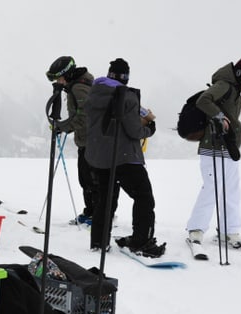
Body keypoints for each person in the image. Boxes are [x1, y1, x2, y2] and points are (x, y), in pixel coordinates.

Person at [85, 58, 164, 257]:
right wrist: (149, 128)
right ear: (126, 77)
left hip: (99, 156)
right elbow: (134, 130)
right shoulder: (126, 97)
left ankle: (98, 241)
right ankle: (141, 241)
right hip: (124, 156)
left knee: (106, 198)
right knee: (144, 197)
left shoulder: (94, 93)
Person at [186, 56, 241, 249]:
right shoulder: (224, 85)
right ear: (240, 74)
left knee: (232, 189)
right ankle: (196, 229)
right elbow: (204, 100)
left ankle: (229, 229)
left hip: (229, 146)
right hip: (213, 146)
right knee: (212, 187)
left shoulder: (236, 94)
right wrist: (219, 116)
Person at [47, 56, 98, 225]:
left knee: (89, 180)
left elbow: (83, 118)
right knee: (87, 179)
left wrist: (62, 127)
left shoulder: (78, 88)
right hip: (89, 141)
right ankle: (92, 212)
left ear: (66, 75)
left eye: (59, 78)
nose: (58, 82)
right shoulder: (77, 85)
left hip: (91, 142)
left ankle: (95, 215)